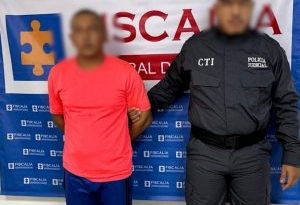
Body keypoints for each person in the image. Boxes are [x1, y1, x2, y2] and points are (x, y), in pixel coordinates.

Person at [129, 0, 300, 204]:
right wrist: (136, 109)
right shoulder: (196, 47)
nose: (235, 10)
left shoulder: (270, 50)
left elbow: (287, 104)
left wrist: (292, 155)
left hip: (252, 157)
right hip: (205, 156)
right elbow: (168, 88)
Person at [48, 9, 152, 205]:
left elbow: (145, 117)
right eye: (80, 30)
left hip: (115, 173)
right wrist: (82, 138)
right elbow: (57, 114)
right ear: (72, 37)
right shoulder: (58, 73)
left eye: (92, 29)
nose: (86, 36)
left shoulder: (125, 72)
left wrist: (121, 140)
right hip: (75, 172)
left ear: (102, 34)